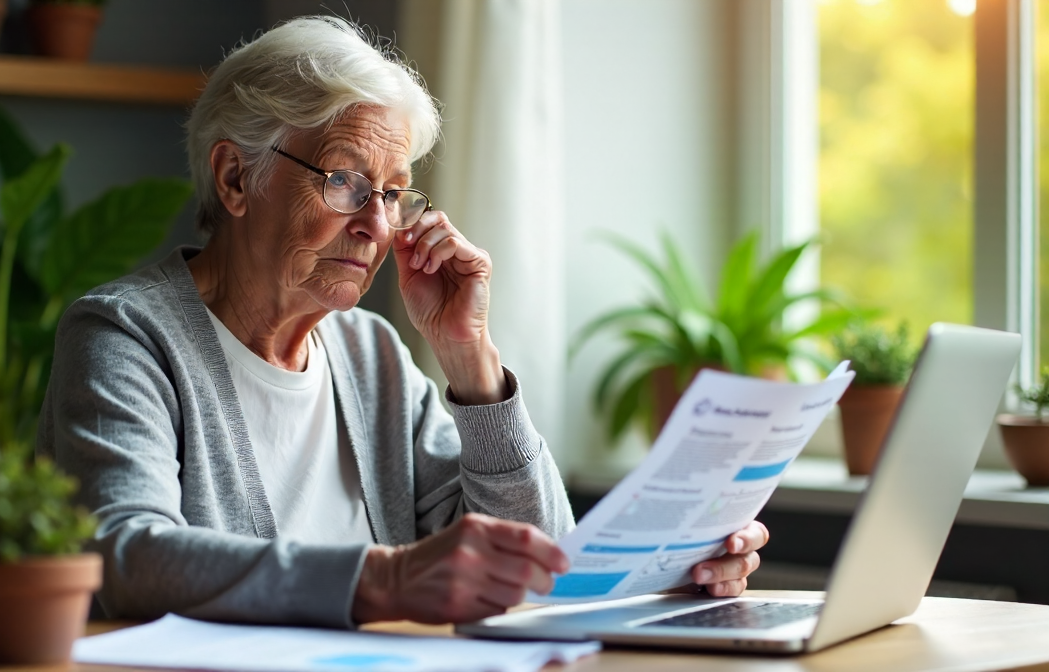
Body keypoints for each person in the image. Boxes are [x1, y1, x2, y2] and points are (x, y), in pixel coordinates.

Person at [37, 16, 768, 628]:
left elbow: (539, 559)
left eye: (392, 193)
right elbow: (129, 556)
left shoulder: (371, 355)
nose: (377, 226)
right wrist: (387, 578)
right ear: (235, 179)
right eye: (347, 181)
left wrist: (471, 359)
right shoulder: (125, 335)